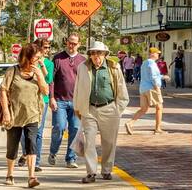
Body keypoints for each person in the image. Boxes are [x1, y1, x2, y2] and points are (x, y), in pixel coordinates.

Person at [72, 41, 128, 183]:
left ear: (105, 54)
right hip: (89, 109)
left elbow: (122, 90)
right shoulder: (82, 67)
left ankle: (106, 170)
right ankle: (91, 173)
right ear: (90, 54)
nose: (96, 55)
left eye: (99, 53)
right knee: (89, 142)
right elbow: (77, 89)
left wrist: (118, 109)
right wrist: (77, 108)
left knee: (109, 142)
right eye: (93, 53)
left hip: (109, 109)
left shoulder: (114, 67)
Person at [0, 43, 49, 188]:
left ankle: (31, 177)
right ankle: (10, 174)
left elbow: (46, 92)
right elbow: (3, 91)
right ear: (27, 57)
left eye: (40, 58)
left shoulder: (38, 72)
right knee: (12, 147)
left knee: (31, 145)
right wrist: (6, 113)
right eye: (36, 58)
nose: (39, 61)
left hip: (33, 115)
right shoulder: (13, 71)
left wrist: (40, 76)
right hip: (14, 115)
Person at [49, 34, 86, 168]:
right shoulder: (58, 58)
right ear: (66, 43)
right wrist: (51, 97)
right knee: (59, 127)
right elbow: (51, 80)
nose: (71, 45)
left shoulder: (83, 60)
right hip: (59, 100)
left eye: (74, 43)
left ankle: (70, 159)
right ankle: (53, 152)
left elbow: (85, 81)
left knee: (75, 129)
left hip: (76, 102)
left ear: (79, 44)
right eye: (70, 43)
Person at [125, 47, 166, 134]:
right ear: (152, 54)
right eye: (157, 53)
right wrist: (157, 88)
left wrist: (162, 77)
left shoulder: (144, 63)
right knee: (159, 108)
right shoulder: (152, 64)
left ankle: (130, 123)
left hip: (143, 88)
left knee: (143, 109)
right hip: (151, 88)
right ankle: (158, 128)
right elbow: (153, 77)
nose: (158, 55)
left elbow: (148, 75)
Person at [30, 38, 54, 172]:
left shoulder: (49, 63)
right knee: (24, 131)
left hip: (42, 100)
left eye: (48, 47)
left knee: (38, 131)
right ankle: (27, 153)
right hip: (28, 99)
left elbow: (49, 79)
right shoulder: (28, 60)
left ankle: (36, 161)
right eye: (45, 47)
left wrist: (42, 65)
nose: (47, 50)